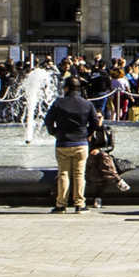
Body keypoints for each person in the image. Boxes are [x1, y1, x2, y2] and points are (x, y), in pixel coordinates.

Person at [43, 79, 98, 214]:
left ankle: (61, 205)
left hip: (63, 143)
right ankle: (79, 204)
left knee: (63, 173)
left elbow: (48, 120)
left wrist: (54, 133)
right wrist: (87, 134)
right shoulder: (87, 104)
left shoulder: (58, 103)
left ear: (66, 88)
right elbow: (95, 122)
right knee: (79, 174)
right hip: (81, 142)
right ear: (78, 89)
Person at [84, 117, 134, 209]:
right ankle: (118, 181)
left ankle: (97, 198)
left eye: (99, 117)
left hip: (105, 159)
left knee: (103, 158)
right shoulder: (88, 130)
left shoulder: (108, 130)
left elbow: (111, 146)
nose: (97, 119)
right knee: (103, 161)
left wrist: (99, 150)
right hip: (91, 158)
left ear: (103, 118)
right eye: (95, 117)